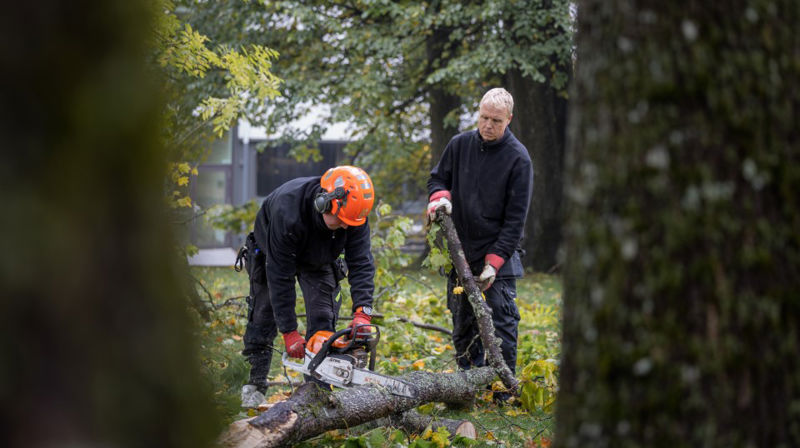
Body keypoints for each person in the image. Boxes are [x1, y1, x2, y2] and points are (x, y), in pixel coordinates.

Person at [426, 87, 533, 403]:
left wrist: (494, 263)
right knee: (462, 324)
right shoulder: (459, 145)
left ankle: (502, 392)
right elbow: (437, 179)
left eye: (495, 120)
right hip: (460, 251)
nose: (488, 125)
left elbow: (515, 221)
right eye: (484, 117)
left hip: (498, 252)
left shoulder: (519, 159)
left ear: (508, 119)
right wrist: (441, 199)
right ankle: (467, 388)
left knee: (502, 324)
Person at [238, 165, 377, 408]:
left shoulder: (353, 217)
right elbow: (279, 275)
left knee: (323, 316)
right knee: (263, 313)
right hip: (273, 253)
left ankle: (316, 391)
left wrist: (362, 312)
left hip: (320, 258)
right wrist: (289, 331)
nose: (346, 226)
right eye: (341, 221)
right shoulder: (288, 211)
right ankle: (254, 383)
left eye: (350, 223)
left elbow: (362, 262)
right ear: (323, 202)